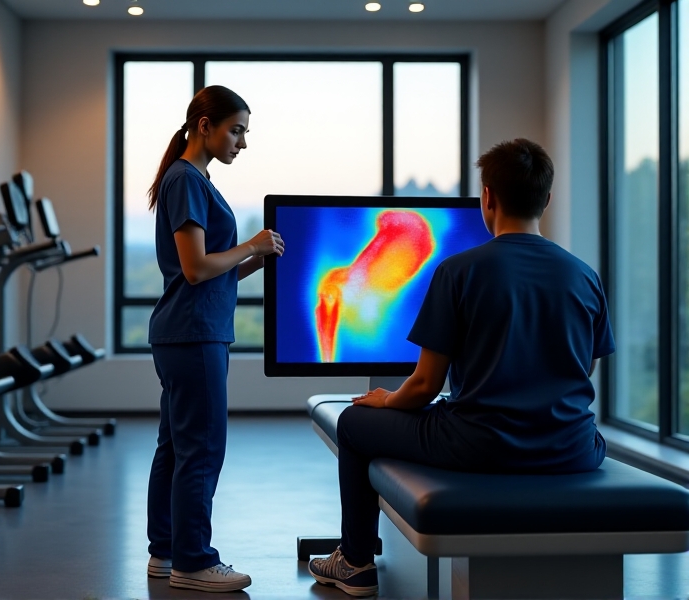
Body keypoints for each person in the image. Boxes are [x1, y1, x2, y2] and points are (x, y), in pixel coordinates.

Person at [308, 138, 615, 597]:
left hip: (480, 446)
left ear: (487, 197)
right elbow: (583, 370)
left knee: (352, 423)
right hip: (573, 449)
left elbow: (425, 385)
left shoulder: (460, 271)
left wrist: (385, 400)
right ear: (546, 200)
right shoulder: (584, 275)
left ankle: (354, 562)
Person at [145, 85, 284, 594]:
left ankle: (166, 551)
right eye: (237, 130)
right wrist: (248, 244)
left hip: (189, 330)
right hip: (193, 334)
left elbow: (210, 272)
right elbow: (196, 268)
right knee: (201, 449)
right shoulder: (186, 179)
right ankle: (194, 560)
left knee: (176, 447)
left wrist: (254, 260)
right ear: (206, 125)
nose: (242, 143)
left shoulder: (193, 179)